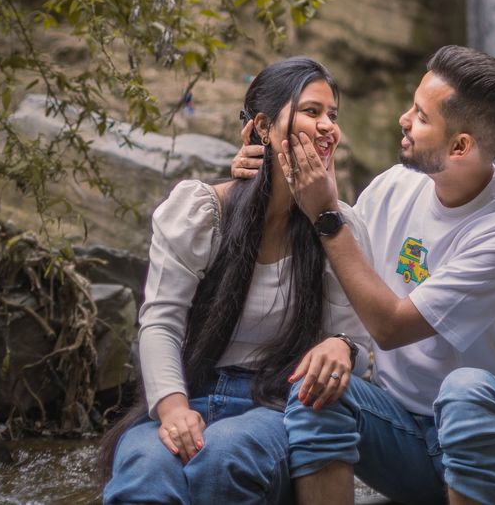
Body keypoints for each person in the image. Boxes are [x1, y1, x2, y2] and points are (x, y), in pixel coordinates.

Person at [231, 44, 495, 505]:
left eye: (421, 117)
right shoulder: (393, 186)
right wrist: (261, 182)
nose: (404, 120)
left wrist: (326, 213)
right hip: (402, 433)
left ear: (460, 145)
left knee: (465, 391)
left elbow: (389, 326)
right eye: (411, 105)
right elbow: (338, 272)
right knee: (317, 391)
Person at [101, 57, 372, 505]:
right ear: (264, 128)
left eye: (333, 116)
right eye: (312, 111)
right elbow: (160, 323)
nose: (328, 127)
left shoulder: (341, 229)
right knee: (145, 471)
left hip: (275, 407)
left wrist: (342, 346)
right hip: (191, 391)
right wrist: (172, 409)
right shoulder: (202, 211)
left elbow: (360, 349)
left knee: (224, 460)